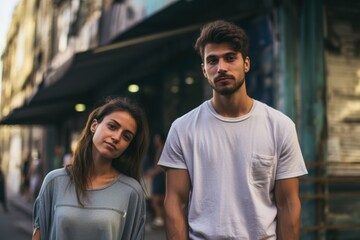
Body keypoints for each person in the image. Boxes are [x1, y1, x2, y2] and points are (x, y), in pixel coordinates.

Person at [158, 20, 308, 240]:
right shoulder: (182, 129)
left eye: (230, 58)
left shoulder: (280, 126)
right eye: (212, 61)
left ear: (246, 63)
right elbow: (175, 202)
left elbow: (288, 204)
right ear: (204, 70)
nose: (222, 68)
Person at [32, 97, 149, 240]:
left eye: (126, 136)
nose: (117, 137)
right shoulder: (54, 182)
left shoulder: (132, 192)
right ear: (94, 125)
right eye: (112, 126)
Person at [144, 133, 166, 227]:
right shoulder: (159, 149)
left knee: (155, 199)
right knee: (161, 199)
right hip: (159, 176)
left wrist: (151, 173)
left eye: (156, 139)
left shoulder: (162, 150)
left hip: (160, 176)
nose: (155, 141)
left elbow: (161, 166)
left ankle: (160, 218)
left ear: (160, 140)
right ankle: (161, 218)